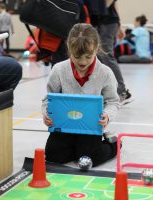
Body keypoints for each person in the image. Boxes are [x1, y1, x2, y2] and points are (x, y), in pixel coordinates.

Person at [42, 23, 119, 167]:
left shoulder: (105, 72)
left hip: (90, 126)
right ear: (69, 49)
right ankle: (78, 149)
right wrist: (46, 114)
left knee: (89, 159)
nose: (83, 62)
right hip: (65, 126)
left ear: (96, 49)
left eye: (88, 57)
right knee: (53, 156)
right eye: (77, 57)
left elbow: (113, 101)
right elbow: (48, 98)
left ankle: (115, 144)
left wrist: (107, 116)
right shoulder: (59, 70)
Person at [92, 0, 133, 106]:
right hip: (105, 22)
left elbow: (108, 3)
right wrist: (119, 25)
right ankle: (106, 91)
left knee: (106, 55)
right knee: (99, 56)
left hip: (107, 22)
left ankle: (122, 92)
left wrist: (98, 8)